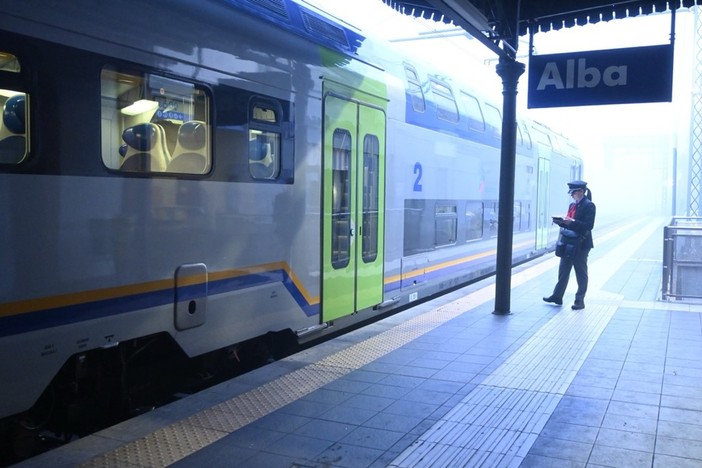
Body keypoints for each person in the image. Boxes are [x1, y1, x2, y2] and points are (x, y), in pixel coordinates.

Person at [543, 180, 596, 310]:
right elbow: (569, 222)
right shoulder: (573, 205)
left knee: (580, 272)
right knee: (563, 270)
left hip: (581, 244)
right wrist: (561, 222)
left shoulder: (589, 205)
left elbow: (589, 226)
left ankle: (579, 301)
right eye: (571, 193)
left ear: (581, 192)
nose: (572, 195)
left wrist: (571, 222)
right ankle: (557, 296)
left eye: (574, 192)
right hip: (569, 243)